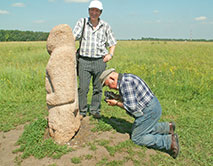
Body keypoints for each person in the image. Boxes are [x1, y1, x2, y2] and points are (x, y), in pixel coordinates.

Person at [99, 68, 180, 159]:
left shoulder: (125, 84)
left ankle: (169, 142)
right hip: (152, 107)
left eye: (108, 84)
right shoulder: (126, 78)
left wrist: (116, 103)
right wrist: (117, 97)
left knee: (137, 137)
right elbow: (131, 98)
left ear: (112, 78)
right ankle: (167, 127)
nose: (109, 87)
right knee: (140, 129)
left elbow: (132, 107)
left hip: (150, 111)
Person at [73, 0, 117, 119]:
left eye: (96, 11)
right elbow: (74, 37)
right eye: (92, 10)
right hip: (84, 61)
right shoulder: (82, 22)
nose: (94, 13)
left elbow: (112, 42)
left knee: (98, 88)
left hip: (99, 61)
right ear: (89, 11)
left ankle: (94, 110)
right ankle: (81, 112)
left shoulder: (105, 26)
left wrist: (110, 55)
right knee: (83, 88)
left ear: (100, 12)